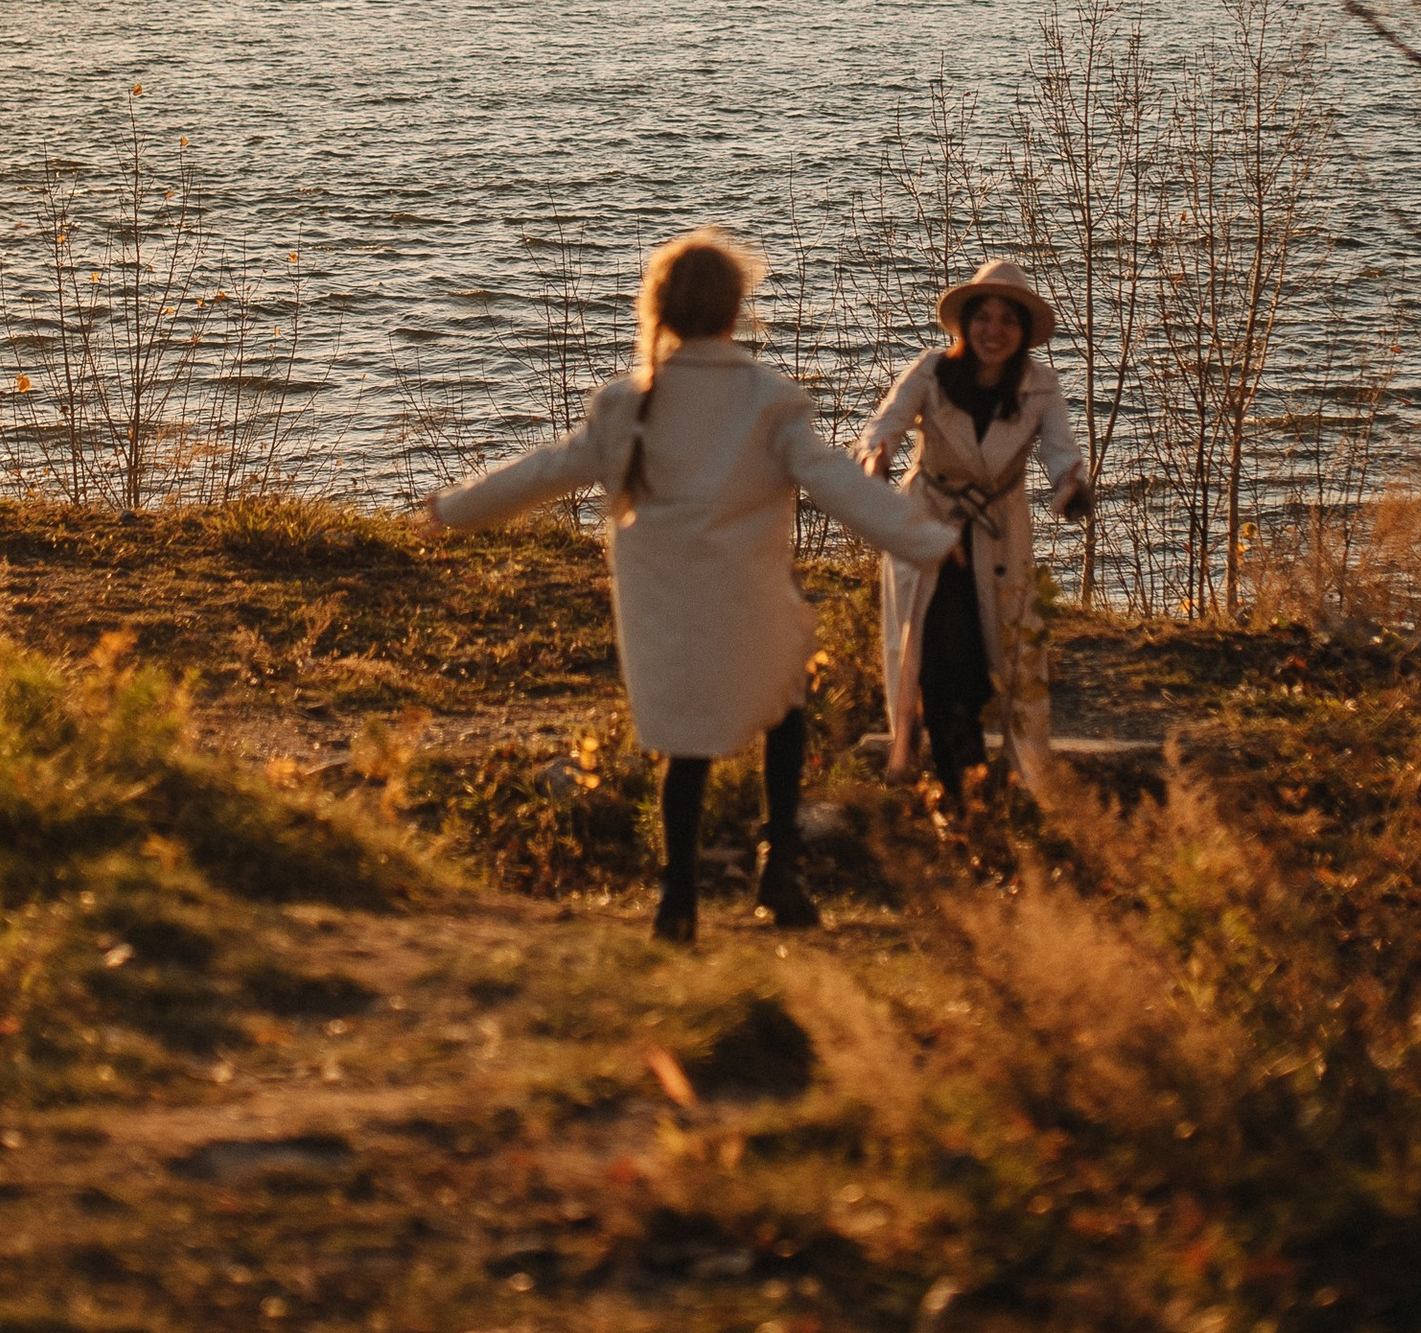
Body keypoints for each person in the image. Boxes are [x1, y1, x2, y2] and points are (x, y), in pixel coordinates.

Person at [421, 228, 955, 943]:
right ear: (738, 311)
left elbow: (545, 471)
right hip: (750, 600)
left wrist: (453, 510)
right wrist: (932, 543)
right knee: (785, 713)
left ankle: (677, 897)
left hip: (664, 607)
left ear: (660, 309)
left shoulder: (625, 403)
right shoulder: (769, 399)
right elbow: (837, 486)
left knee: (686, 750)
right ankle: (779, 872)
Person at [859, 257, 1091, 813]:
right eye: (983, 318)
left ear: (1023, 332)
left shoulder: (1040, 385)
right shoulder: (932, 372)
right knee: (937, 658)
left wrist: (1072, 488)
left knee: (1002, 658)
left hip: (996, 533)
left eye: (1007, 321)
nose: (994, 332)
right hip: (930, 524)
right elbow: (884, 425)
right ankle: (959, 793)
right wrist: (877, 458)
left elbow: (1062, 453)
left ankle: (1005, 785)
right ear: (964, 324)